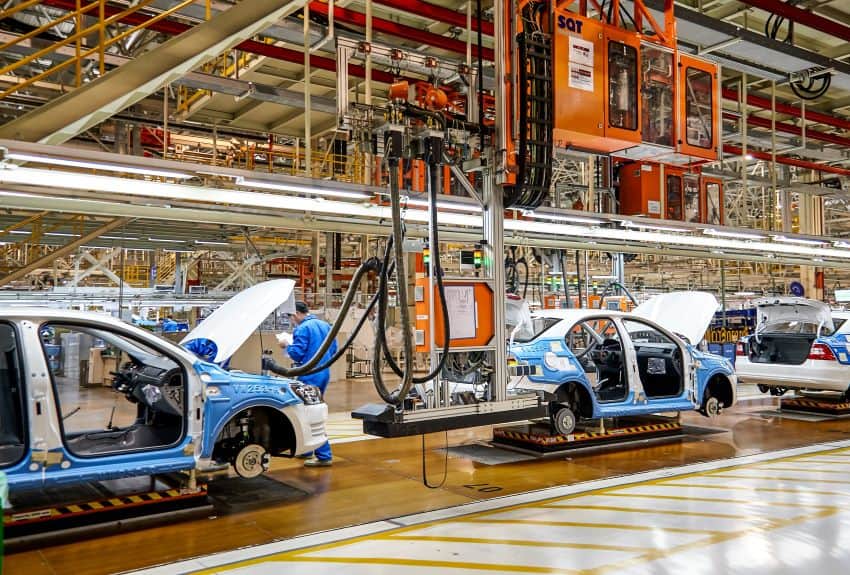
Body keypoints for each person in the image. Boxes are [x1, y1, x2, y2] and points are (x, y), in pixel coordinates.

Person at [281, 301, 338, 467]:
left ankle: (323, 455)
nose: (292, 321)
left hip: (309, 375)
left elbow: (297, 355)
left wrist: (286, 345)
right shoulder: (324, 325)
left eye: (291, 317)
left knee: (309, 413)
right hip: (323, 373)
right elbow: (334, 348)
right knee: (310, 410)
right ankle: (306, 450)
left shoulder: (302, 328)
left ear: (296, 314)